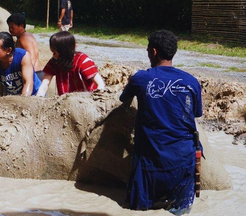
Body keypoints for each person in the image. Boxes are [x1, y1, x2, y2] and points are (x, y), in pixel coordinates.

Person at [119, 29, 202, 215]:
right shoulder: (191, 82)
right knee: (180, 212)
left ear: (153, 52)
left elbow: (123, 100)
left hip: (149, 164)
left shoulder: (141, 78)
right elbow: (195, 115)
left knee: (136, 211)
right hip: (183, 163)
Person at [36, 31, 104, 97]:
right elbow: (45, 84)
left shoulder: (83, 61)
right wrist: (39, 97)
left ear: (64, 51)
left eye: (54, 53)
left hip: (85, 100)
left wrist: (98, 95)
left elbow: (100, 84)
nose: (53, 56)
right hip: (65, 101)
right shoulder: (55, 61)